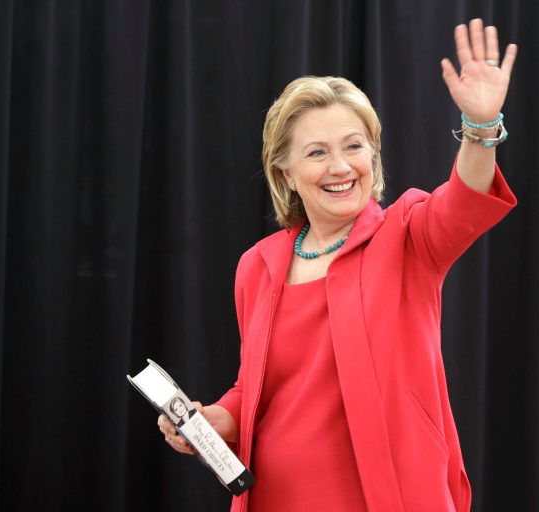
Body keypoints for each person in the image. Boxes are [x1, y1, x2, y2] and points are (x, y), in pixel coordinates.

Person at [159, 18, 518, 512]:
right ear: (285, 171)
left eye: (354, 146)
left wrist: (479, 129)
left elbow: (466, 197)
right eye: (317, 152)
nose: (341, 167)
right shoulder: (257, 265)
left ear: (373, 153)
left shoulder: (409, 234)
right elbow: (255, 389)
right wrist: (215, 419)